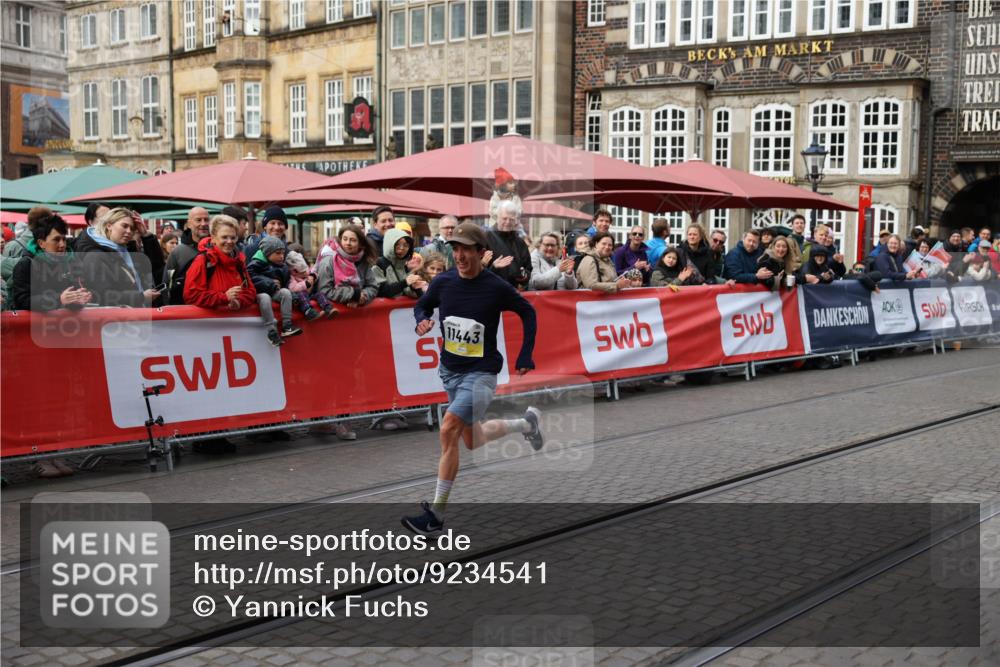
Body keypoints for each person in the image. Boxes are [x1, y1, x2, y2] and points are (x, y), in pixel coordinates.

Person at [401, 222, 541, 535]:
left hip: (481, 374)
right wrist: (422, 320)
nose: (460, 256)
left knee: (448, 427)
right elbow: (422, 304)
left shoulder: (496, 286)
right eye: (455, 249)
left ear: (481, 252)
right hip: (450, 372)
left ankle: (435, 516)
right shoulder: (445, 282)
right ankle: (527, 424)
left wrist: (525, 354)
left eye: (466, 249)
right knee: (471, 439)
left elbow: (528, 312)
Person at [183, 215, 273, 341]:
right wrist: (224, 297)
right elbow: (191, 295)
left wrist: (238, 302)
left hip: (237, 334)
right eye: (224, 237)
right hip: (208, 333)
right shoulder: (202, 261)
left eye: (233, 237)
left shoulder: (239, 262)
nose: (229, 241)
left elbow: (250, 291)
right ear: (213, 238)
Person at [75, 208, 159, 307]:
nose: (129, 231)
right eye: (124, 226)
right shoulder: (95, 256)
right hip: (119, 319)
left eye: (132, 228)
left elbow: (157, 268)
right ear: (109, 225)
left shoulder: (126, 250)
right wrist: (141, 297)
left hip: (137, 314)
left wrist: (146, 235)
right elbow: (103, 296)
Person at [11, 214, 93, 312]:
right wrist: (58, 299)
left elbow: (72, 294)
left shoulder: (72, 261)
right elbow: (22, 301)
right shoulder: (26, 264)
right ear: (41, 243)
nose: (62, 244)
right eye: (56, 240)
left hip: (66, 324)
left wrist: (79, 297)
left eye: (64, 239)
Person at [248, 235, 305, 339]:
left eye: (283, 253)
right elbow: (251, 277)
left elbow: (285, 285)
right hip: (259, 293)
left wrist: (293, 296)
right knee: (265, 297)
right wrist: (269, 283)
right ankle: (271, 330)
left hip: (274, 293)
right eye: (278, 253)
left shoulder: (283, 267)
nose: (282, 256)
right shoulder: (255, 264)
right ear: (267, 253)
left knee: (285, 292)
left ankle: (287, 326)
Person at [163, 206, 211, 304]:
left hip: (214, 312)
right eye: (198, 220)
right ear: (189, 224)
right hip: (186, 312)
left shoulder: (218, 248)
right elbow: (166, 285)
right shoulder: (178, 252)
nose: (203, 224)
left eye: (206, 220)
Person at [485, 200, 532, 290]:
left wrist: (523, 277)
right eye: (504, 218)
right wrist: (494, 267)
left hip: (513, 293)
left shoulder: (520, 242)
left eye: (511, 219)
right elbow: (477, 270)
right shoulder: (485, 238)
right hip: (491, 292)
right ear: (497, 217)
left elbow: (528, 268)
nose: (508, 222)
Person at [374, 227, 425, 298]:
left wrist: (415, 287)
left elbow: (416, 296)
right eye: (397, 244)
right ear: (389, 244)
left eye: (406, 245)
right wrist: (405, 283)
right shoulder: (379, 264)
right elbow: (380, 291)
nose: (402, 248)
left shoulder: (404, 266)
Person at [286, 250, 336, 318]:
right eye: (302, 272)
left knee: (320, 294)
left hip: (311, 293)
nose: (305, 273)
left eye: (305, 271)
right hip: (302, 296)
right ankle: (309, 311)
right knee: (302, 295)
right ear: (294, 272)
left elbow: (314, 273)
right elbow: (292, 288)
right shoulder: (292, 277)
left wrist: (313, 276)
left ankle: (328, 308)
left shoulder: (307, 270)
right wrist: (305, 284)